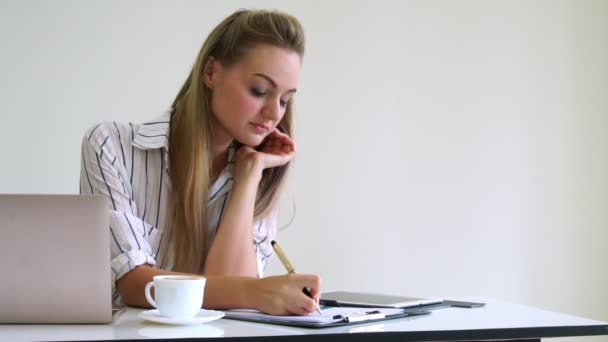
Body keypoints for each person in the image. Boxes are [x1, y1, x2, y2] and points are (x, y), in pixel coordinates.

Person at [80, 9, 320, 316]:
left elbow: (234, 301)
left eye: (285, 99)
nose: (275, 114)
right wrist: (259, 290)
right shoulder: (111, 146)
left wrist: (249, 176)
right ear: (211, 73)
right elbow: (133, 284)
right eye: (259, 91)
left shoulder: (260, 171)